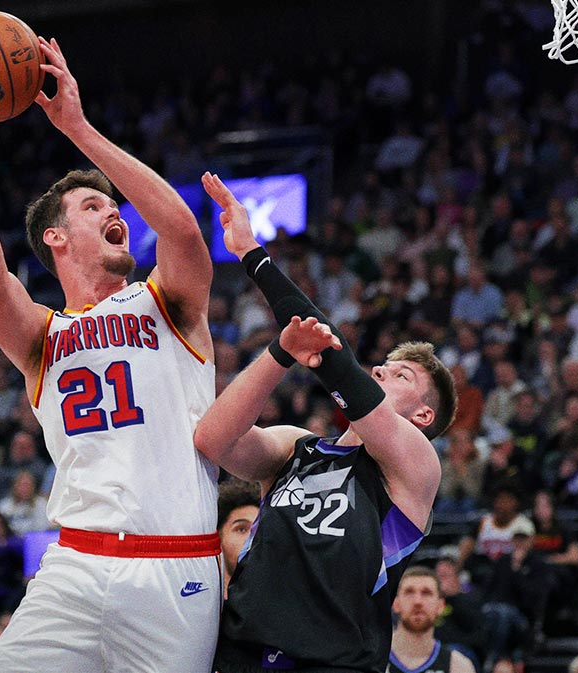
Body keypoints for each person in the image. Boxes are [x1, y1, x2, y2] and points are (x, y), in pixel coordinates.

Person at [0, 35, 219, 673]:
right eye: (94, 206)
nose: (115, 210)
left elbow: (182, 227)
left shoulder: (170, 303)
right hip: (75, 564)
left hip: (176, 567)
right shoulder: (40, 336)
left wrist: (79, 129)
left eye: (114, 205)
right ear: (55, 237)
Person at [193, 173, 456, 672]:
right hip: (242, 652)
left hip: (335, 661)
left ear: (423, 415)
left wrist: (252, 254)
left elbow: (336, 359)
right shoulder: (297, 447)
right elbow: (213, 438)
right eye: (383, 364)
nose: (377, 370)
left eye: (400, 374)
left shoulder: (414, 468)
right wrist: (281, 353)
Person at [387, 567, 475, 673]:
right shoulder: (372, 659)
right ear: (395, 604)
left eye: (426, 593)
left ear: (440, 606)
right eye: (409, 592)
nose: (417, 601)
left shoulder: (459, 667)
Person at [217, 480, 261, 598]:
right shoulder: (206, 606)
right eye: (242, 529)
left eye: (258, 530)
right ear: (219, 538)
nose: (252, 538)